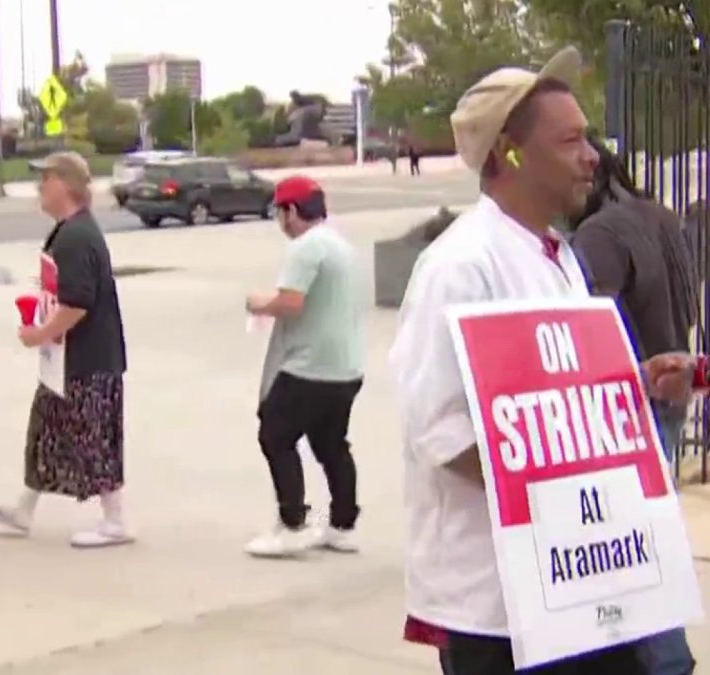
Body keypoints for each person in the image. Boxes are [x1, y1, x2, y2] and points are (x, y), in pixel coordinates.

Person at [389, 47, 648, 674]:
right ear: (509, 152)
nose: (593, 156)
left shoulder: (556, 255)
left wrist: (637, 384)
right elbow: (441, 430)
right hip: (502, 608)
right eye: (571, 140)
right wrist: (563, 501)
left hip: (579, 585)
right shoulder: (461, 267)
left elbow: (560, 402)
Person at [567, 137, 697, 675]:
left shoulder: (598, 233)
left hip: (631, 397)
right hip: (671, 386)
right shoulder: (661, 215)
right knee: (644, 534)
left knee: (629, 546)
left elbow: (588, 320)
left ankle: (665, 658)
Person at [0, 151, 132, 548]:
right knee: (45, 431)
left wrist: (41, 333)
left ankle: (116, 521)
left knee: (93, 438)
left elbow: (78, 302)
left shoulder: (76, 236)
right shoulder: (69, 230)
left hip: (88, 359)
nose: (39, 187)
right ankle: (24, 509)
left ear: (65, 183)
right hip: (66, 360)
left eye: (45, 179)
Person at [242, 175, 364, 558]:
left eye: (279, 212)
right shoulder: (341, 246)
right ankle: (342, 525)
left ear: (291, 211)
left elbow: (290, 302)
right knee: (331, 445)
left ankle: (292, 522)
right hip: (346, 366)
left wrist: (258, 303)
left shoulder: (306, 248)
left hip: (309, 365)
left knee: (275, 435)